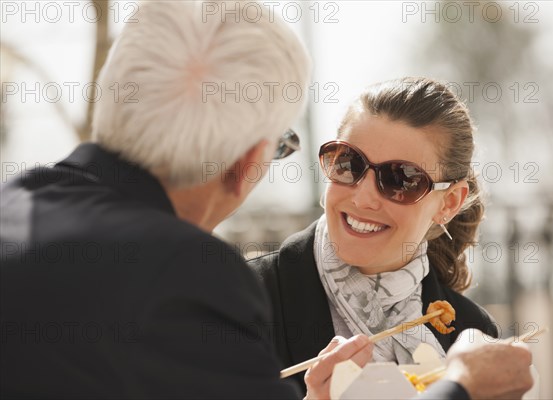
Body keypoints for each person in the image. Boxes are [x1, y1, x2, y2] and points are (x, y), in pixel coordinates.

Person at [0, 2, 372, 398]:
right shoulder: (184, 280)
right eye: (282, 146)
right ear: (246, 164)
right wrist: (449, 385)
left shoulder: (15, 205)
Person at [248, 77, 506, 395]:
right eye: (348, 163)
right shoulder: (246, 299)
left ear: (448, 203)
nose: (363, 198)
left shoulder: (472, 335)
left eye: (401, 179)